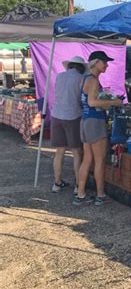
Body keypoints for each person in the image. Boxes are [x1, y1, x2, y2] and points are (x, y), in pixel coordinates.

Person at [73, 51, 122, 206]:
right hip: (95, 121)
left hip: (86, 120)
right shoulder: (93, 80)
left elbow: (85, 101)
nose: (107, 65)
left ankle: (80, 194)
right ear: (97, 62)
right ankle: (100, 195)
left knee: (87, 159)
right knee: (99, 160)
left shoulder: (84, 79)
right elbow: (93, 102)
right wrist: (113, 103)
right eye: (105, 62)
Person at [50, 56, 87, 193]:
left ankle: (57, 183)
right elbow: (81, 99)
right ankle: (78, 186)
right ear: (81, 68)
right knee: (76, 151)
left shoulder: (60, 76)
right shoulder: (81, 79)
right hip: (73, 116)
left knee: (59, 151)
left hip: (56, 115)